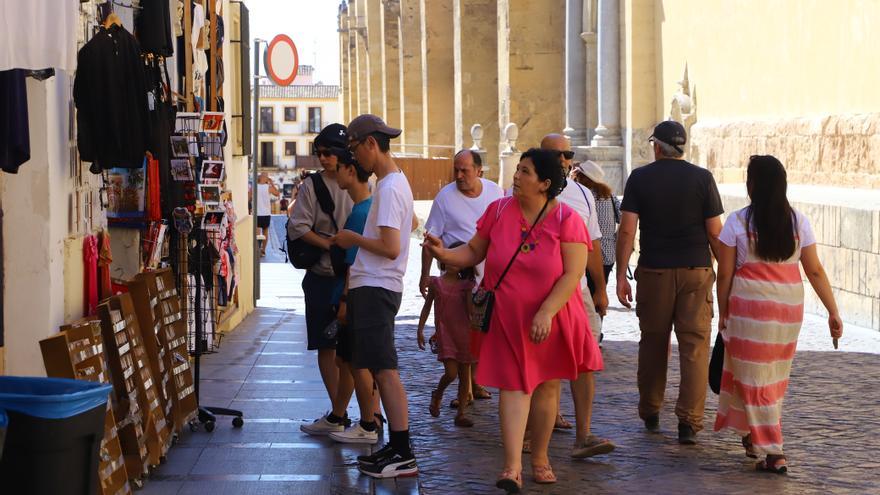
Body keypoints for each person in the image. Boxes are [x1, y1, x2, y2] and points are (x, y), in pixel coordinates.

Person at [424, 148, 602, 492]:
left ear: (545, 183)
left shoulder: (568, 219)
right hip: (507, 315)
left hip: (551, 315)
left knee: (547, 387)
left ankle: (540, 458)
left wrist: (546, 311)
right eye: (517, 169)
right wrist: (445, 254)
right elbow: (475, 251)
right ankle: (512, 467)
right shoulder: (499, 209)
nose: (516, 176)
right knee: (512, 387)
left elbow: (572, 274)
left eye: (525, 171)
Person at [713, 155, 842, 474]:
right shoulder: (799, 221)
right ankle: (753, 435)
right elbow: (814, 269)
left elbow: (725, 274)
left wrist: (723, 311)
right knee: (769, 377)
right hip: (787, 311)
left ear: (753, 185)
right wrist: (832, 310)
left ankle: (774, 450)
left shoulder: (737, 222)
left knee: (755, 379)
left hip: (749, 308)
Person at [615, 120, 723, 445]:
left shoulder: (640, 178)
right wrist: (725, 273)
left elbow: (627, 230)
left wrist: (621, 274)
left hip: (655, 271)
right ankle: (689, 422)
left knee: (653, 343)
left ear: (657, 147)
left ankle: (650, 410)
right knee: (694, 347)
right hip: (696, 269)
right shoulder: (703, 178)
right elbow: (715, 232)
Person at [330, 114, 418, 479]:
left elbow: (390, 246)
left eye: (354, 149)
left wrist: (353, 240)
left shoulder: (390, 187)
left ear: (370, 144)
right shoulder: (392, 185)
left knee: (386, 370)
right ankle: (395, 447)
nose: (355, 160)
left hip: (378, 285)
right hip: (377, 285)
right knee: (382, 369)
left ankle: (402, 450)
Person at [539, 134, 614, 458]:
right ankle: (531, 433)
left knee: (584, 363)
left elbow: (593, 245)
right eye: (555, 154)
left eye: (567, 154)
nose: (562, 160)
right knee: (538, 365)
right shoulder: (523, 193)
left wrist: (599, 289)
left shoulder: (583, 193)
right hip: (537, 294)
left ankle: (583, 434)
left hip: (576, 291)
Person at [420, 149, 503, 407]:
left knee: (482, 330)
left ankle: (474, 383)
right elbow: (430, 238)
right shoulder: (445, 197)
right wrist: (425, 274)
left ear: (479, 171)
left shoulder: (495, 193)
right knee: (467, 330)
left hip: (489, 275)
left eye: (464, 170)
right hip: (459, 274)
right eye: (456, 169)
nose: (458, 175)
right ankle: (465, 390)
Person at [289, 124, 354, 436]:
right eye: (319, 153)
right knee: (327, 347)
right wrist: (329, 244)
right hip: (323, 275)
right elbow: (297, 227)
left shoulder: (356, 182)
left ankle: (355, 413)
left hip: (345, 277)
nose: (323, 158)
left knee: (351, 350)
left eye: (328, 153)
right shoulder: (313, 185)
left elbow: (299, 226)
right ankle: (338, 410)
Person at [325, 152, 386, 445]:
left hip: (356, 295)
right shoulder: (367, 207)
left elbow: (353, 263)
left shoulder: (362, 211)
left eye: (337, 168)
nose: (334, 174)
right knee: (345, 360)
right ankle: (352, 417)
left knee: (357, 362)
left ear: (350, 171)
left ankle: (368, 422)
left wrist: (345, 301)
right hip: (357, 293)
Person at [417, 241, 477, 428]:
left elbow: (470, 311)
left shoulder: (467, 285)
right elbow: (427, 307)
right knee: (451, 373)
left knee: (464, 374)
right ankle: (438, 393)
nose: (452, 262)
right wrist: (420, 329)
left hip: (465, 333)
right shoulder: (436, 283)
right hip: (446, 333)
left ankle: (461, 413)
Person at [571, 160, 621, 297]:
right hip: (608, 256)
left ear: (581, 176)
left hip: (589, 257)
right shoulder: (610, 196)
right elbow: (622, 217)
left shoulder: (581, 196)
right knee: (599, 295)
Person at [256, 172, 279, 256]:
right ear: (265, 178)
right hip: (266, 213)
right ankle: (263, 251)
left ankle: (258, 249)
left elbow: (249, 197)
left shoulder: (255, 187)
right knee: (265, 232)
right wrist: (272, 183)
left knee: (257, 234)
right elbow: (277, 193)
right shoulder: (268, 188)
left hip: (257, 213)